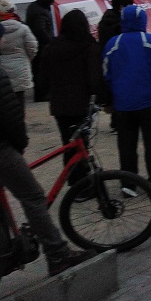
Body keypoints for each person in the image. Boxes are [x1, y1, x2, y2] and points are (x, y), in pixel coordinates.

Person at [0, 40, 96, 276]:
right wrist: (19, 144)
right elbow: (10, 117)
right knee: (33, 197)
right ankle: (58, 255)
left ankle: (5, 251)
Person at [102, 5, 151, 193]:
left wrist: (114, 95)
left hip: (123, 105)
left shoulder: (112, 44)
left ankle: (128, 185)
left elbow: (106, 74)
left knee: (126, 146)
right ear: (143, 20)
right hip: (150, 102)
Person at [43, 10, 103, 186]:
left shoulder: (51, 47)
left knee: (67, 142)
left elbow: (43, 78)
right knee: (81, 144)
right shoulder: (89, 47)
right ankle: (82, 184)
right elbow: (94, 78)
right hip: (81, 104)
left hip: (60, 104)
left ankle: (72, 179)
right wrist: (100, 98)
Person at [0, 0, 38, 114]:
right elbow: (32, 46)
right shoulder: (23, 28)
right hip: (21, 67)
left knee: (4, 101)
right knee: (20, 100)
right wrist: (27, 58)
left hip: (2, 68)